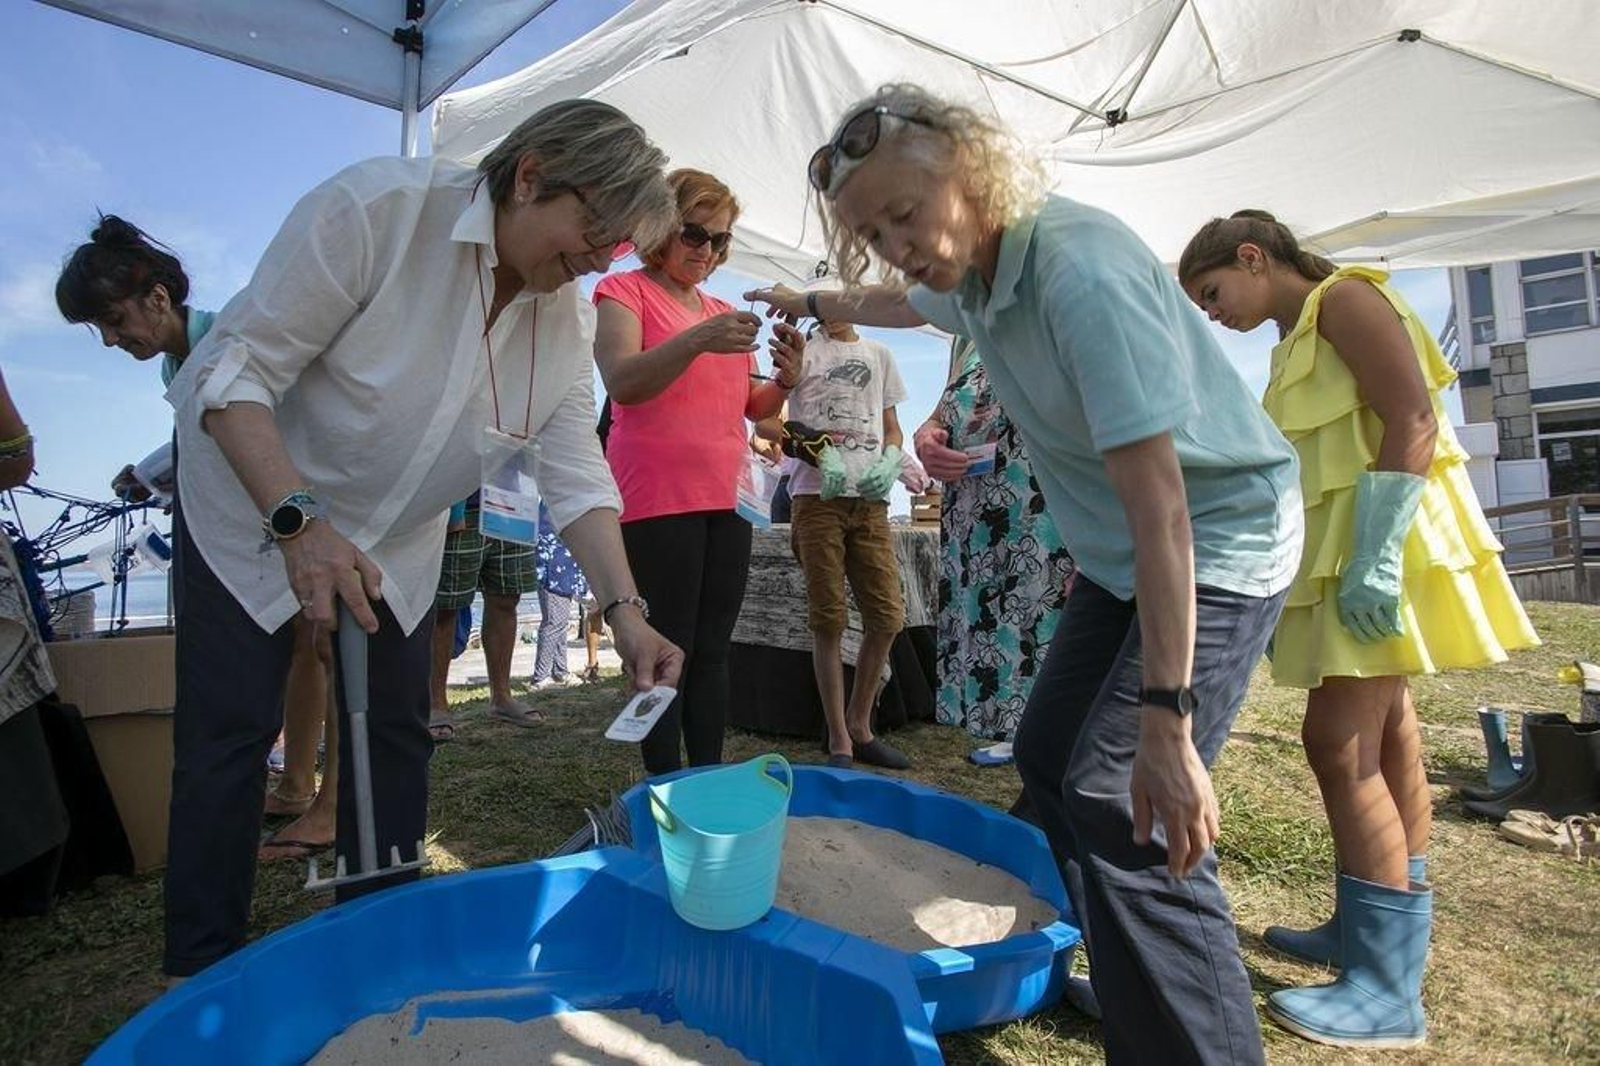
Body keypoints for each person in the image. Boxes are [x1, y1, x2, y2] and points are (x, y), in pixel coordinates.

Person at [748, 83, 1304, 1064]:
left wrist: (1168, 722)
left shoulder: (1075, 272)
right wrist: (811, 299)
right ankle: (1125, 967)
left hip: (1212, 540)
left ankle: (1197, 1033)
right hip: (1119, 558)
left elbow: (1163, 510)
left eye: (906, 215)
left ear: (970, 171)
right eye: (873, 228)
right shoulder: (964, 273)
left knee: (1127, 799)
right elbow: (893, 299)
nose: (897, 244)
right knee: (1050, 759)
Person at [160, 99, 684, 980]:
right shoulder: (379, 212)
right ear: (529, 175)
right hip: (253, 506)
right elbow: (231, 372)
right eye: (595, 229)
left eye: (617, 247)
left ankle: (379, 943)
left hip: (397, 537)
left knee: (395, 735)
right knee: (231, 729)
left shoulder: (565, 318)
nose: (600, 260)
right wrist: (298, 522)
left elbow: (576, 478)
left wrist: (626, 611)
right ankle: (199, 969)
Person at [1179, 212, 1539, 1047]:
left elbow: (1410, 418)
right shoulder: (1304, 327)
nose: (1212, 312)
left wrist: (1376, 556)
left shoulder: (1345, 299)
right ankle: (1371, 918)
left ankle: (1386, 988)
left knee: (1338, 744)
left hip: (1380, 548)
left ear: (1252, 258)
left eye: (1213, 292)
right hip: (1357, 549)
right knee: (1388, 739)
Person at [53, 216, 339, 862]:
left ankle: (329, 802)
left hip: (302, 507)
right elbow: (211, 442)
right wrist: (152, 475)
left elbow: (266, 422)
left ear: (158, 298)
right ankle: (297, 784)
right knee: (302, 647)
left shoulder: (228, 335)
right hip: (254, 525)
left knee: (323, 644)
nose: (110, 339)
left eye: (113, 319)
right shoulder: (176, 364)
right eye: (98, 329)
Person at [593, 168, 803, 774]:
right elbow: (624, 382)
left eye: (719, 241)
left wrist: (786, 379)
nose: (706, 250)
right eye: (693, 232)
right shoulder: (624, 291)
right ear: (660, 225)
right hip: (657, 497)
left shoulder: (719, 311)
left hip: (727, 499)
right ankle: (665, 785)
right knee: (665, 648)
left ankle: (706, 779)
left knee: (714, 650)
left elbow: (752, 413)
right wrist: (696, 340)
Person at [916, 336, 1075, 740]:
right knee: (999, 686)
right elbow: (938, 416)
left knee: (1057, 692)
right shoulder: (967, 334)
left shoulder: (1060, 307)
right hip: (976, 541)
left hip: (1045, 539)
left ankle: (1044, 788)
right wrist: (928, 437)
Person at [779, 317, 911, 769]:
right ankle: (839, 736)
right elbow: (771, 424)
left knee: (888, 615)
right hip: (817, 498)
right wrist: (816, 450)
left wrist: (891, 457)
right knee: (828, 618)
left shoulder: (880, 354)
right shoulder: (804, 349)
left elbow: (892, 426)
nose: (832, 306)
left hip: (870, 500)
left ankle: (859, 724)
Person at [427, 492, 542, 739]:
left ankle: (502, 697)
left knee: (507, 597)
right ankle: (435, 703)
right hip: (461, 502)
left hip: (514, 499)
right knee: (446, 606)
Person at [531, 501, 586, 688]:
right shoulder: (552, 505)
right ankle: (540, 676)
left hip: (565, 567)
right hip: (554, 568)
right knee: (554, 622)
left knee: (561, 622)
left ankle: (560, 670)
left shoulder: (561, 502)